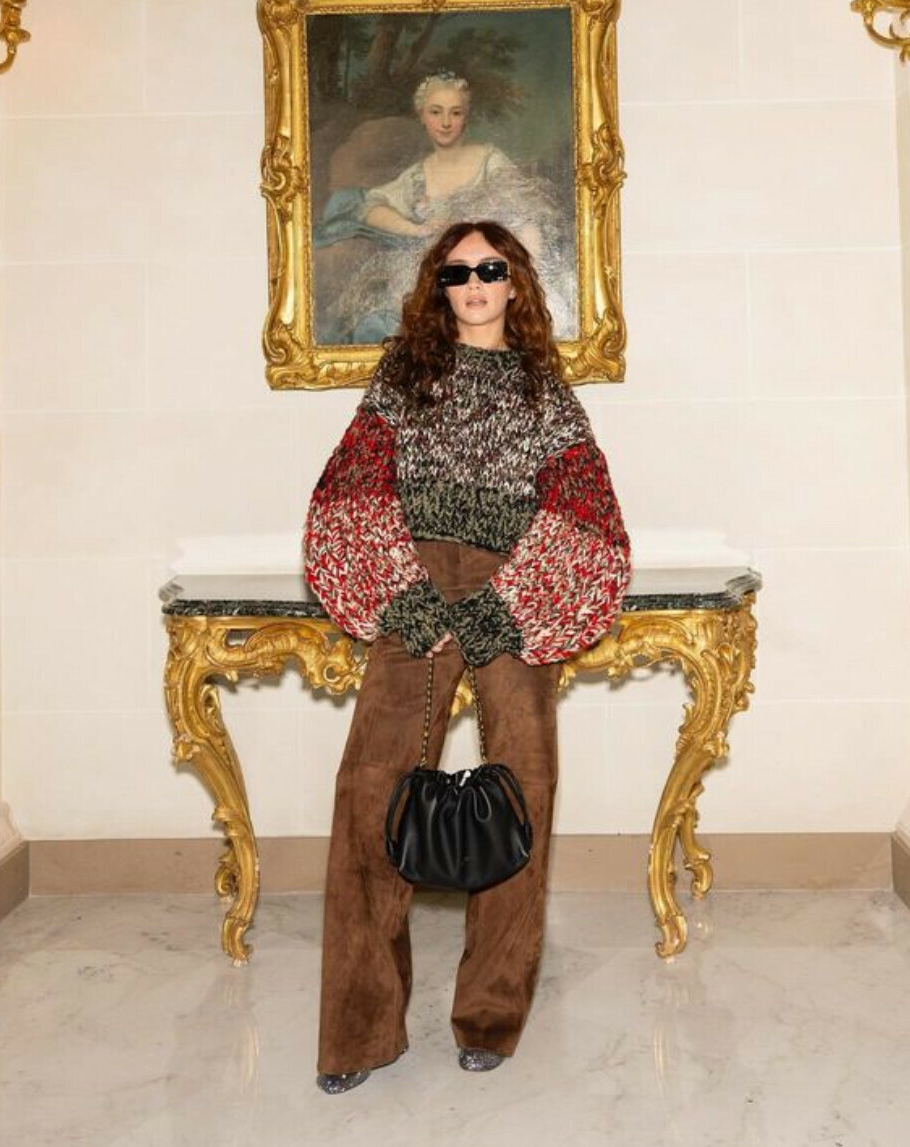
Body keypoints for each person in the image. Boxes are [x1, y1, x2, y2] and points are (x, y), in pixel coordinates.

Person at [303, 220, 631, 1094]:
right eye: (457, 272)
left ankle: (489, 1013)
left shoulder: (544, 391)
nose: (475, 283)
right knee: (370, 787)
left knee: (523, 784)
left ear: (514, 282)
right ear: (438, 287)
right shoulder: (402, 376)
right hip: (410, 577)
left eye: (491, 269)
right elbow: (347, 492)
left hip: (512, 589)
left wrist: (501, 612)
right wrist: (406, 596)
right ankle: (358, 1029)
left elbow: (589, 516)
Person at [312, 74, 574, 344]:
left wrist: (523, 278)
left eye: (455, 112)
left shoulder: (489, 160)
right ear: (422, 116)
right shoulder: (417, 176)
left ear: (466, 117)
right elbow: (371, 206)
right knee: (380, 323)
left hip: (485, 287)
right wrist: (416, 229)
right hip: (437, 284)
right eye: (436, 112)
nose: (445, 122)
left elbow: (527, 214)